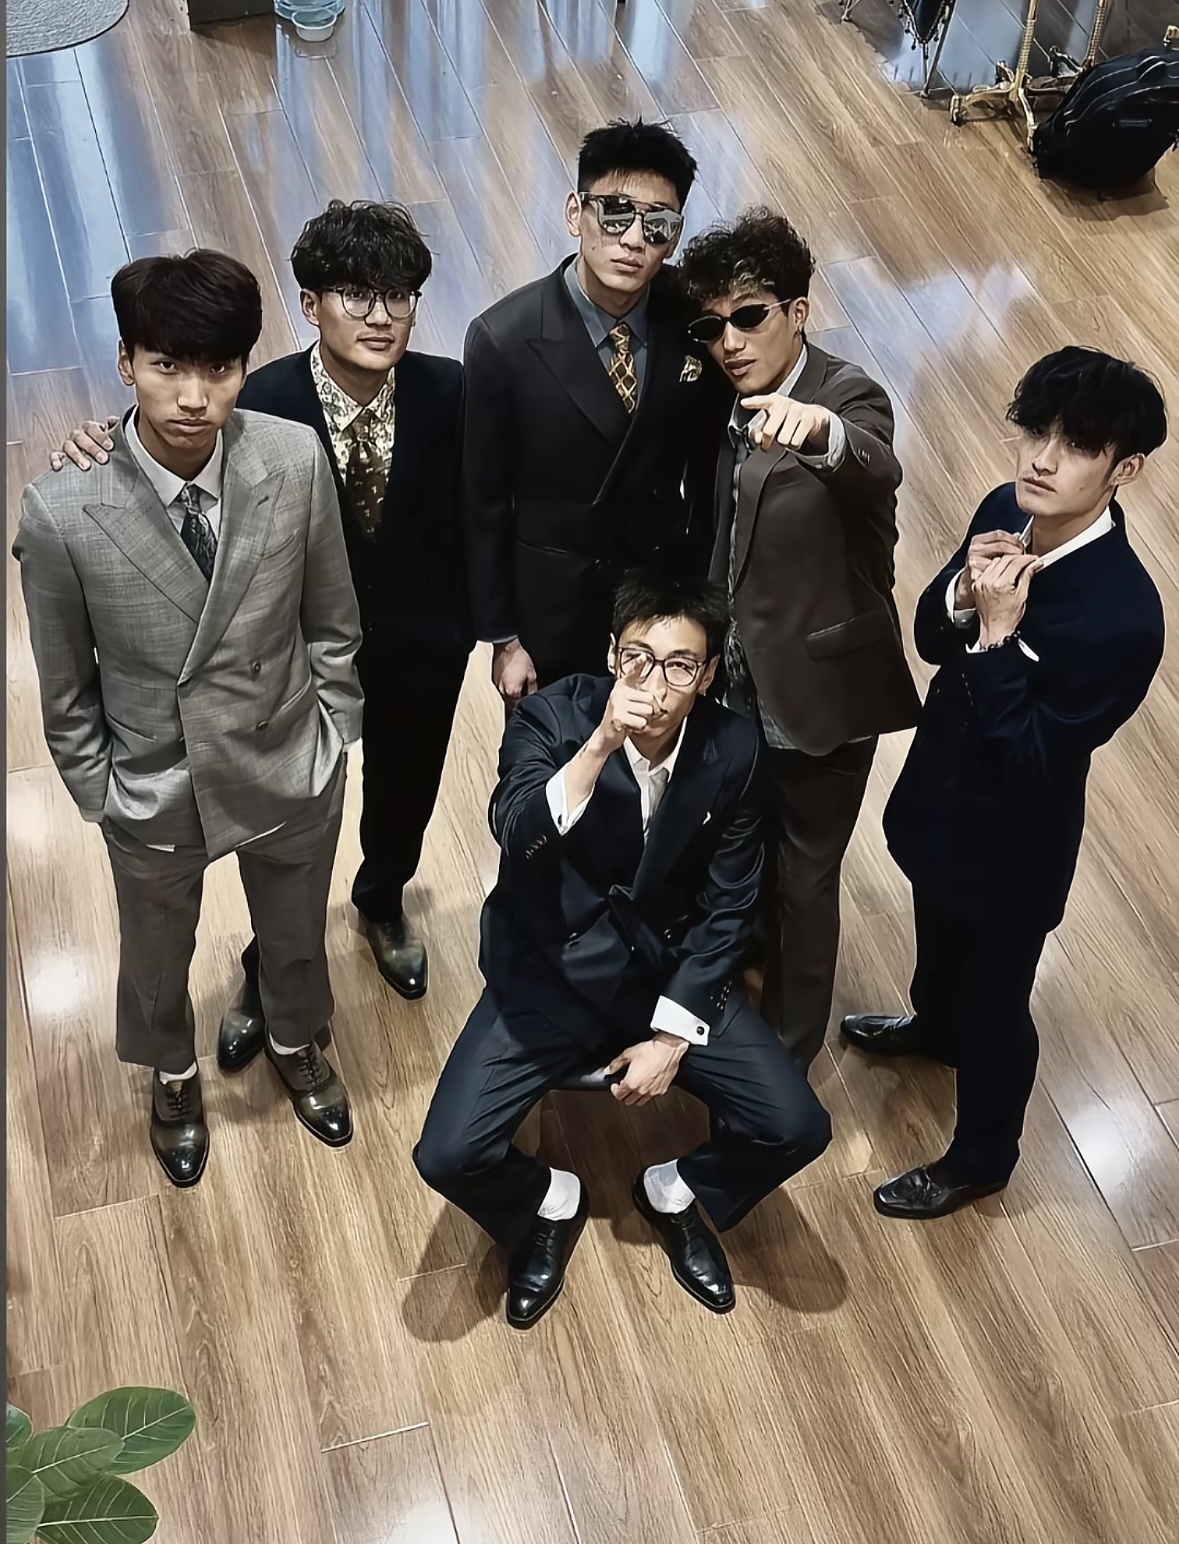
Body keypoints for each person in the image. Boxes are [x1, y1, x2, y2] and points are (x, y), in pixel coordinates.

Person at [52, 202, 470, 1017]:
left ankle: (382, 900)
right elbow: (174, 433)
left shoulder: (451, 389)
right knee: (281, 830)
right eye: (356, 294)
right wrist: (99, 439)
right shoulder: (255, 401)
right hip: (290, 657)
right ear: (309, 303)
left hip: (424, 642)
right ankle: (267, 961)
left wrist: (481, 628)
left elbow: (488, 507)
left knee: (407, 789)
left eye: (399, 295)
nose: (380, 316)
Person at [15, 251, 364, 1186]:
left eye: (219, 368)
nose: (194, 396)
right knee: (155, 954)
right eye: (167, 365)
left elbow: (332, 615)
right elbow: (65, 687)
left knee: (295, 930)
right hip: (155, 786)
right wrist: (103, 795)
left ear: (245, 367)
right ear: (125, 362)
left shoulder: (292, 458)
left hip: (290, 757)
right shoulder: (62, 510)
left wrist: (334, 729)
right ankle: (171, 1072)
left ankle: (294, 1038)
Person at [414, 571, 832, 1329]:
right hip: (548, 972)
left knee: (797, 1126)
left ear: (708, 674)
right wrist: (601, 744)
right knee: (445, 1154)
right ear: (612, 655)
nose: (656, 685)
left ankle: (675, 1190)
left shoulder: (733, 747)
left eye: (680, 666)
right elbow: (515, 831)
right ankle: (548, 1201)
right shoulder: (550, 716)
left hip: (666, 972)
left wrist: (672, 1037)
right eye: (638, 658)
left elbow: (730, 904)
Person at [842, 347, 1168, 1219]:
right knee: (934, 945)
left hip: (1013, 849)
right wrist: (960, 595)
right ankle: (931, 1028)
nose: (1041, 460)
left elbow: (1029, 755)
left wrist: (994, 636)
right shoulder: (1002, 509)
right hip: (936, 802)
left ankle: (981, 1157)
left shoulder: (1124, 618)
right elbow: (927, 637)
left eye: (1077, 445)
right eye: (1036, 432)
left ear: (1125, 469)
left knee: (995, 1011)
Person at [677, 209, 920, 1073]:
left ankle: (784, 1061)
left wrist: (818, 432)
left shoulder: (847, 396)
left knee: (805, 878)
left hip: (820, 696)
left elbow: (874, 462)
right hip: (736, 685)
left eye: (749, 317)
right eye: (712, 326)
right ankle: (738, 973)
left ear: (797, 311)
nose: (730, 341)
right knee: (737, 849)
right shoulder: (724, 396)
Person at [463, 117, 730, 706]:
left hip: (658, 608)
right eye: (614, 213)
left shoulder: (694, 320)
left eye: (658, 225)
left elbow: (707, 476)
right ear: (574, 213)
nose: (633, 240)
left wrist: (704, 606)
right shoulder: (503, 339)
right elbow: (483, 503)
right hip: (551, 613)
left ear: (674, 238)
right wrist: (504, 639)